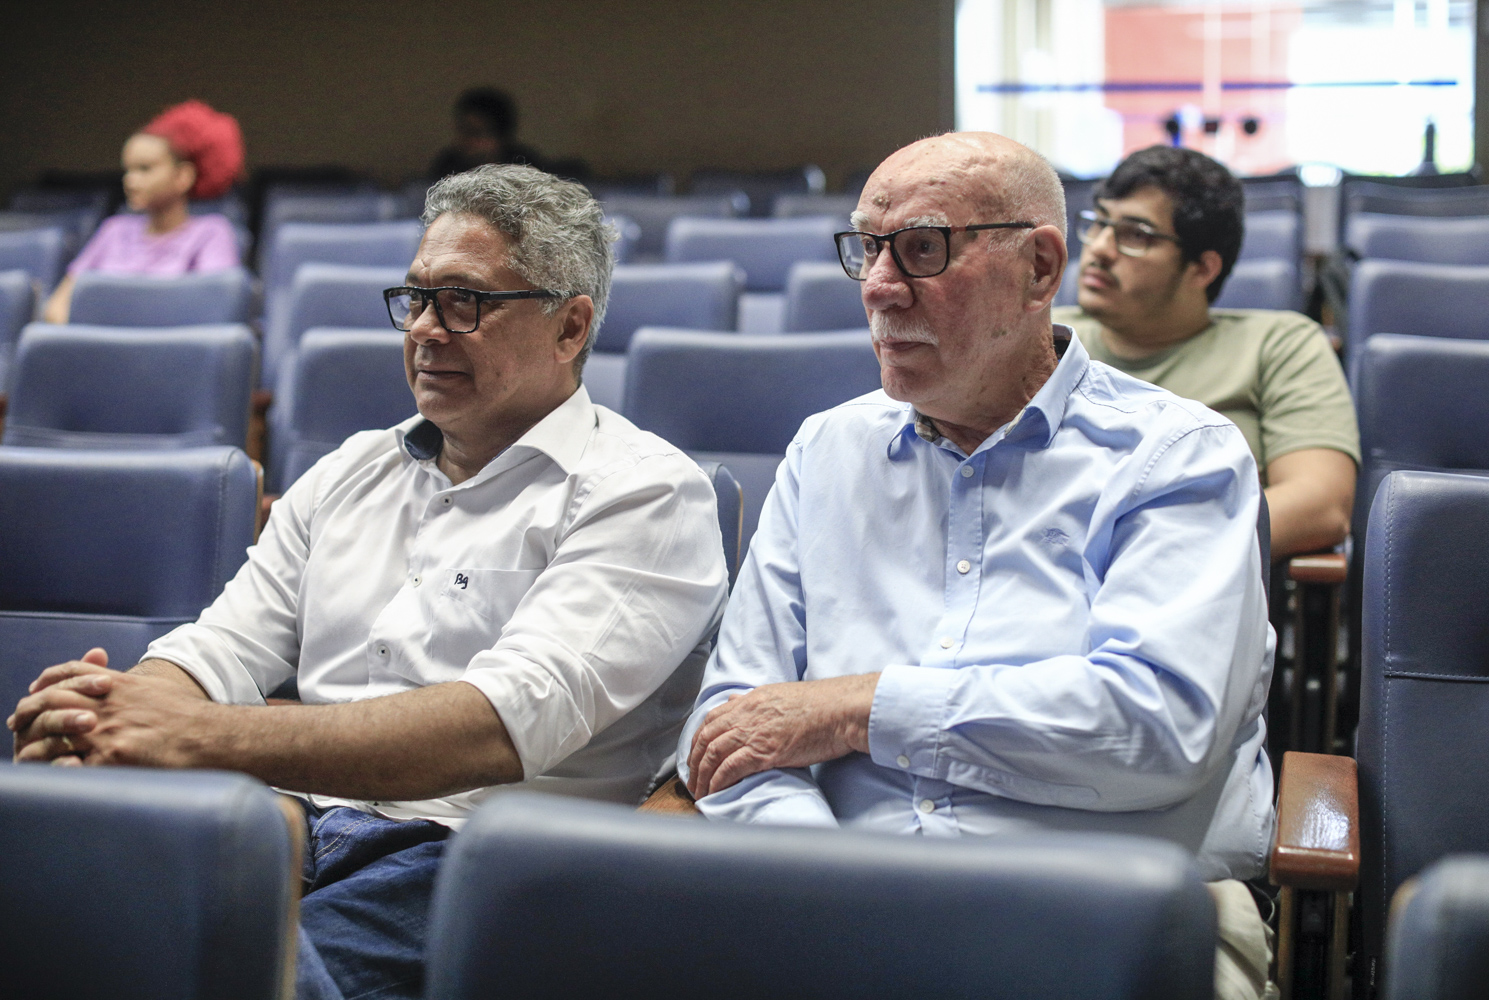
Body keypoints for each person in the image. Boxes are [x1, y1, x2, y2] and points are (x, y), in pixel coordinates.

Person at [10, 164, 729, 1000]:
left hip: (475, 860)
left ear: (569, 328)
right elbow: (223, 645)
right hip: (283, 823)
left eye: (465, 302)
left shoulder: (643, 491)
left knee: (177, 966)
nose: (426, 329)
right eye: (415, 298)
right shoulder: (351, 468)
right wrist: (112, 717)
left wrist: (187, 736)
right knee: (59, 913)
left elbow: (494, 729)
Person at [659, 133, 1276, 1000]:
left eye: (920, 248)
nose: (877, 285)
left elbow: (1156, 730)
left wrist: (857, 707)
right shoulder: (829, 449)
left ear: (1038, 266)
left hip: (1104, 916)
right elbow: (735, 721)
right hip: (827, 902)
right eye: (867, 248)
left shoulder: (1179, 458)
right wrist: (823, 882)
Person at [1054, 145, 1358, 561]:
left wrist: (1151, 549)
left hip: (1196, 590)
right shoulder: (1047, 336)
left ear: (1203, 269)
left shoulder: (1279, 345)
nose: (1100, 249)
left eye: (1135, 236)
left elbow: (1320, 505)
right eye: (1099, 224)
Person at [42, 100, 245, 324]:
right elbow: (58, 306)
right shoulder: (114, 230)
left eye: (145, 169)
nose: (130, 181)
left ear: (183, 176)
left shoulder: (212, 232)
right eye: (128, 170)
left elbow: (215, 310)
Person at [428, 87, 546, 180]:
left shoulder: (526, 165)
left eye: (476, 133)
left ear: (500, 136)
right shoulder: (448, 165)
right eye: (462, 130)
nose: (467, 140)